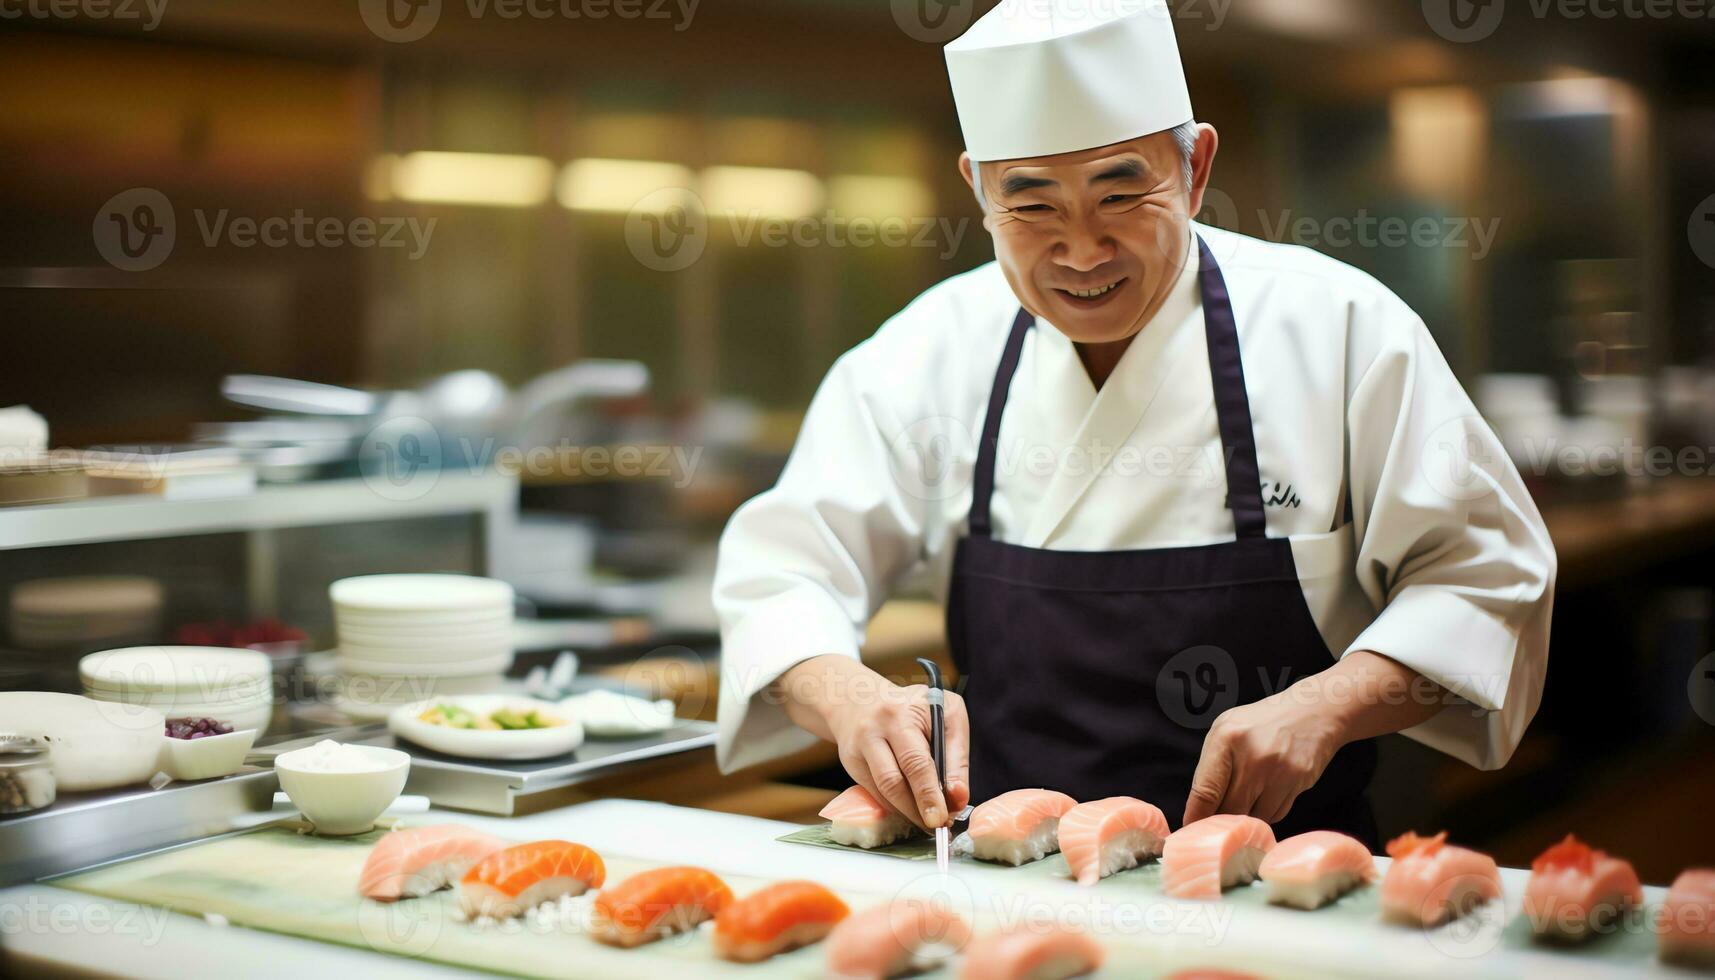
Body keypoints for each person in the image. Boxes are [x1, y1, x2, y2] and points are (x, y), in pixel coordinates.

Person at [712, 0, 1554, 845]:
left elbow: (1483, 578)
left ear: (1195, 170)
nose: (1081, 251)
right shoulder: (928, 352)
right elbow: (784, 573)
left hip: (1282, 868)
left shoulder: (1339, 327)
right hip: (1001, 862)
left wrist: (1323, 705)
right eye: (1032, 207)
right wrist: (845, 690)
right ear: (976, 189)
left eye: (1121, 193)